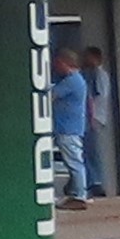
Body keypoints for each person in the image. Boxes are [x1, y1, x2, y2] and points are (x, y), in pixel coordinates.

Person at [49, 47, 99, 207]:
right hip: (68, 126)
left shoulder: (72, 81)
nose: (56, 67)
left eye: (58, 63)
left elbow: (51, 95)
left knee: (74, 162)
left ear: (65, 63)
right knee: (74, 160)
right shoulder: (76, 79)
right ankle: (76, 193)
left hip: (68, 127)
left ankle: (79, 195)